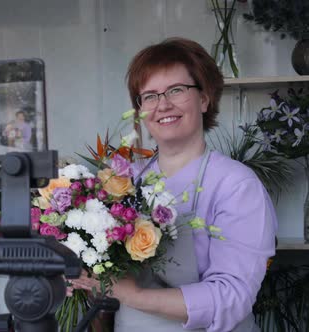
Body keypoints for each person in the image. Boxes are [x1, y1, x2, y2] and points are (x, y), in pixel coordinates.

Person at [69, 37, 277, 331]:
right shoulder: (124, 180)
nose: (162, 105)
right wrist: (80, 276)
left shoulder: (235, 184)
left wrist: (132, 294)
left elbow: (232, 297)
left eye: (176, 90)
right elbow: (106, 277)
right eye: (150, 96)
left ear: (204, 99)